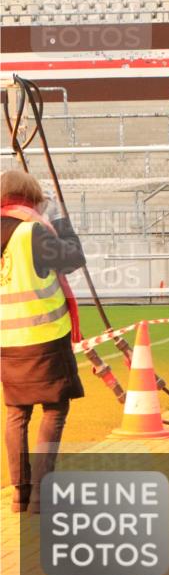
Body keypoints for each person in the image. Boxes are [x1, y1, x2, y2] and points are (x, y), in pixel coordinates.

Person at [1, 169, 87, 513]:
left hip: (6, 339)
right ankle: (40, 494)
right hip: (44, 335)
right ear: (30, 196)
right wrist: (62, 223)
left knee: (16, 412)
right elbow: (73, 259)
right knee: (54, 409)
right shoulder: (30, 231)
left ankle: (20, 495)